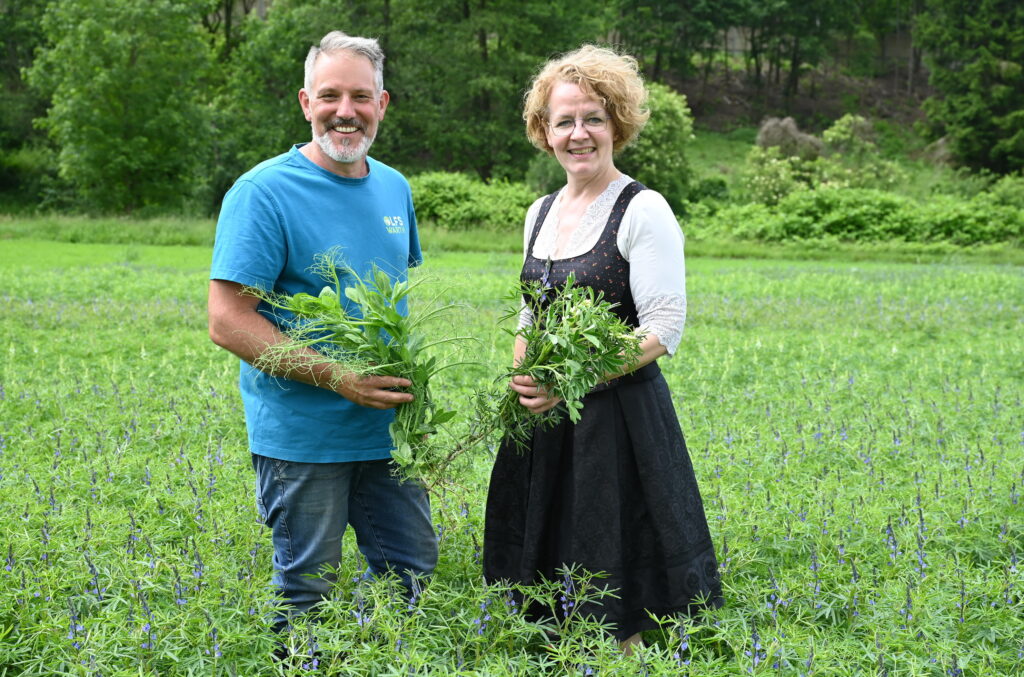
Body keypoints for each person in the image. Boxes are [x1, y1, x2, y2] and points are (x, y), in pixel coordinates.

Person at [483, 45, 723, 652]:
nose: (578, 133)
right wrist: (523, 374)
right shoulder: (539, 212)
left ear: (617, 122)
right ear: (544, 131)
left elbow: (664, 326)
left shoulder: (643, 209)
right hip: (545, 417)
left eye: (592, 117)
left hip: (619, 421)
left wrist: (573, 381)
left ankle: (626, 655)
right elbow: (528, 309)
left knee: (616, 562)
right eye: (564, 121)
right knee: (550, 566)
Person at [208, 31, 437, 632]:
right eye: (330, 95)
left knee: (410, 571)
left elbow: (389, 301)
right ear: (306, 102)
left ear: (382, 104)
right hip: (303, 439)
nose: (345, 111)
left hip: (385, 431)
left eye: (360, 96)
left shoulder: (394, 187)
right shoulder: (262, 193)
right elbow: (227, 321)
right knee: (308, 590)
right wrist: (341, 378)